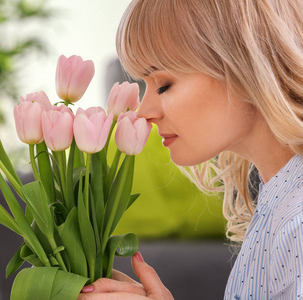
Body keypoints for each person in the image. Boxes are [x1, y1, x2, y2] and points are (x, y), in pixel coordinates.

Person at [79, 0, 303, 299]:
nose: (143, 111)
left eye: (163, 84)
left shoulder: (296, 223)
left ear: (247, 66)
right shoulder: (277, 201)